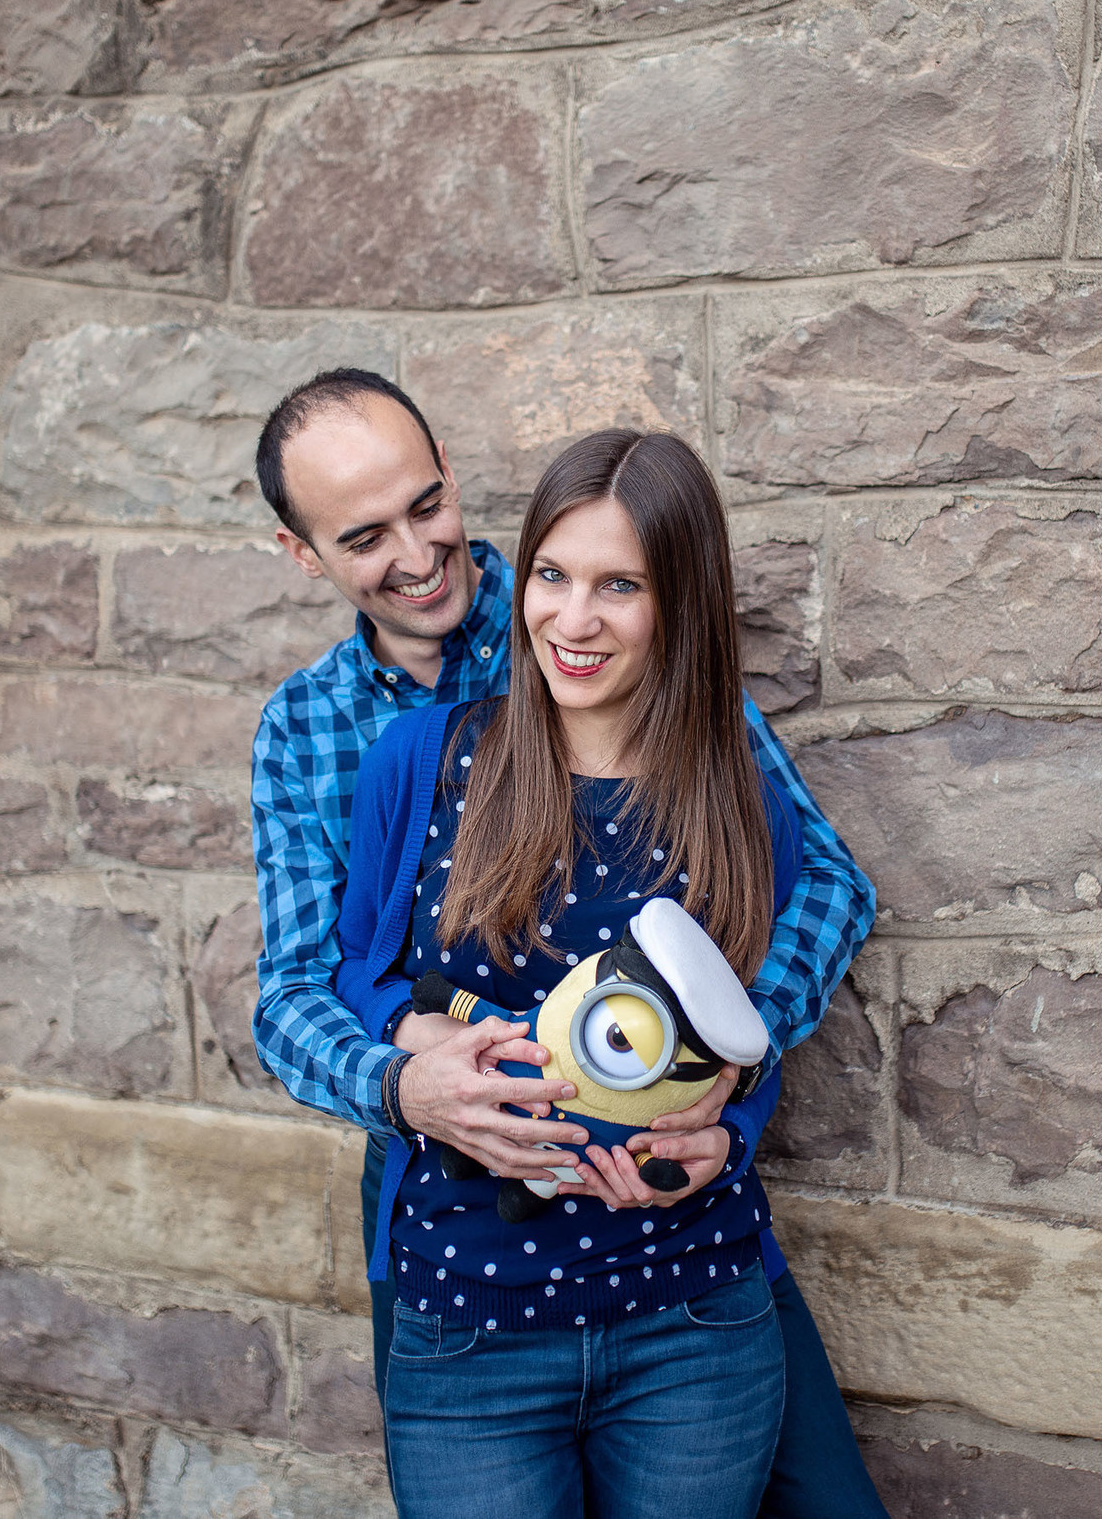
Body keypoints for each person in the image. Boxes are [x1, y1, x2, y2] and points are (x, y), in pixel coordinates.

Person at [247, 372, 887, 1518]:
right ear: (303, 554)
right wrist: (403, 1074)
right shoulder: (319, 726)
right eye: (365, 536)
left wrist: (728, 1063)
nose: (417, 554)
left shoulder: (605, 624)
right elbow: (311, 978)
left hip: (671, 1239)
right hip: (454, 1197)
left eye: (426, 505)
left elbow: (815, 880)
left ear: (449, 470)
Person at [336, 428, 800, 1516]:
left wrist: (725, 1135)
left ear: (680, 604)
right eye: (552, 575)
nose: (573, 619)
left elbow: (743, 1037)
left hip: (694, 1325)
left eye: (619, 586)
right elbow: (355, 975)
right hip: (470, 1330)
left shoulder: (741, 796)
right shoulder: (423, 761)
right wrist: (420, 1046)